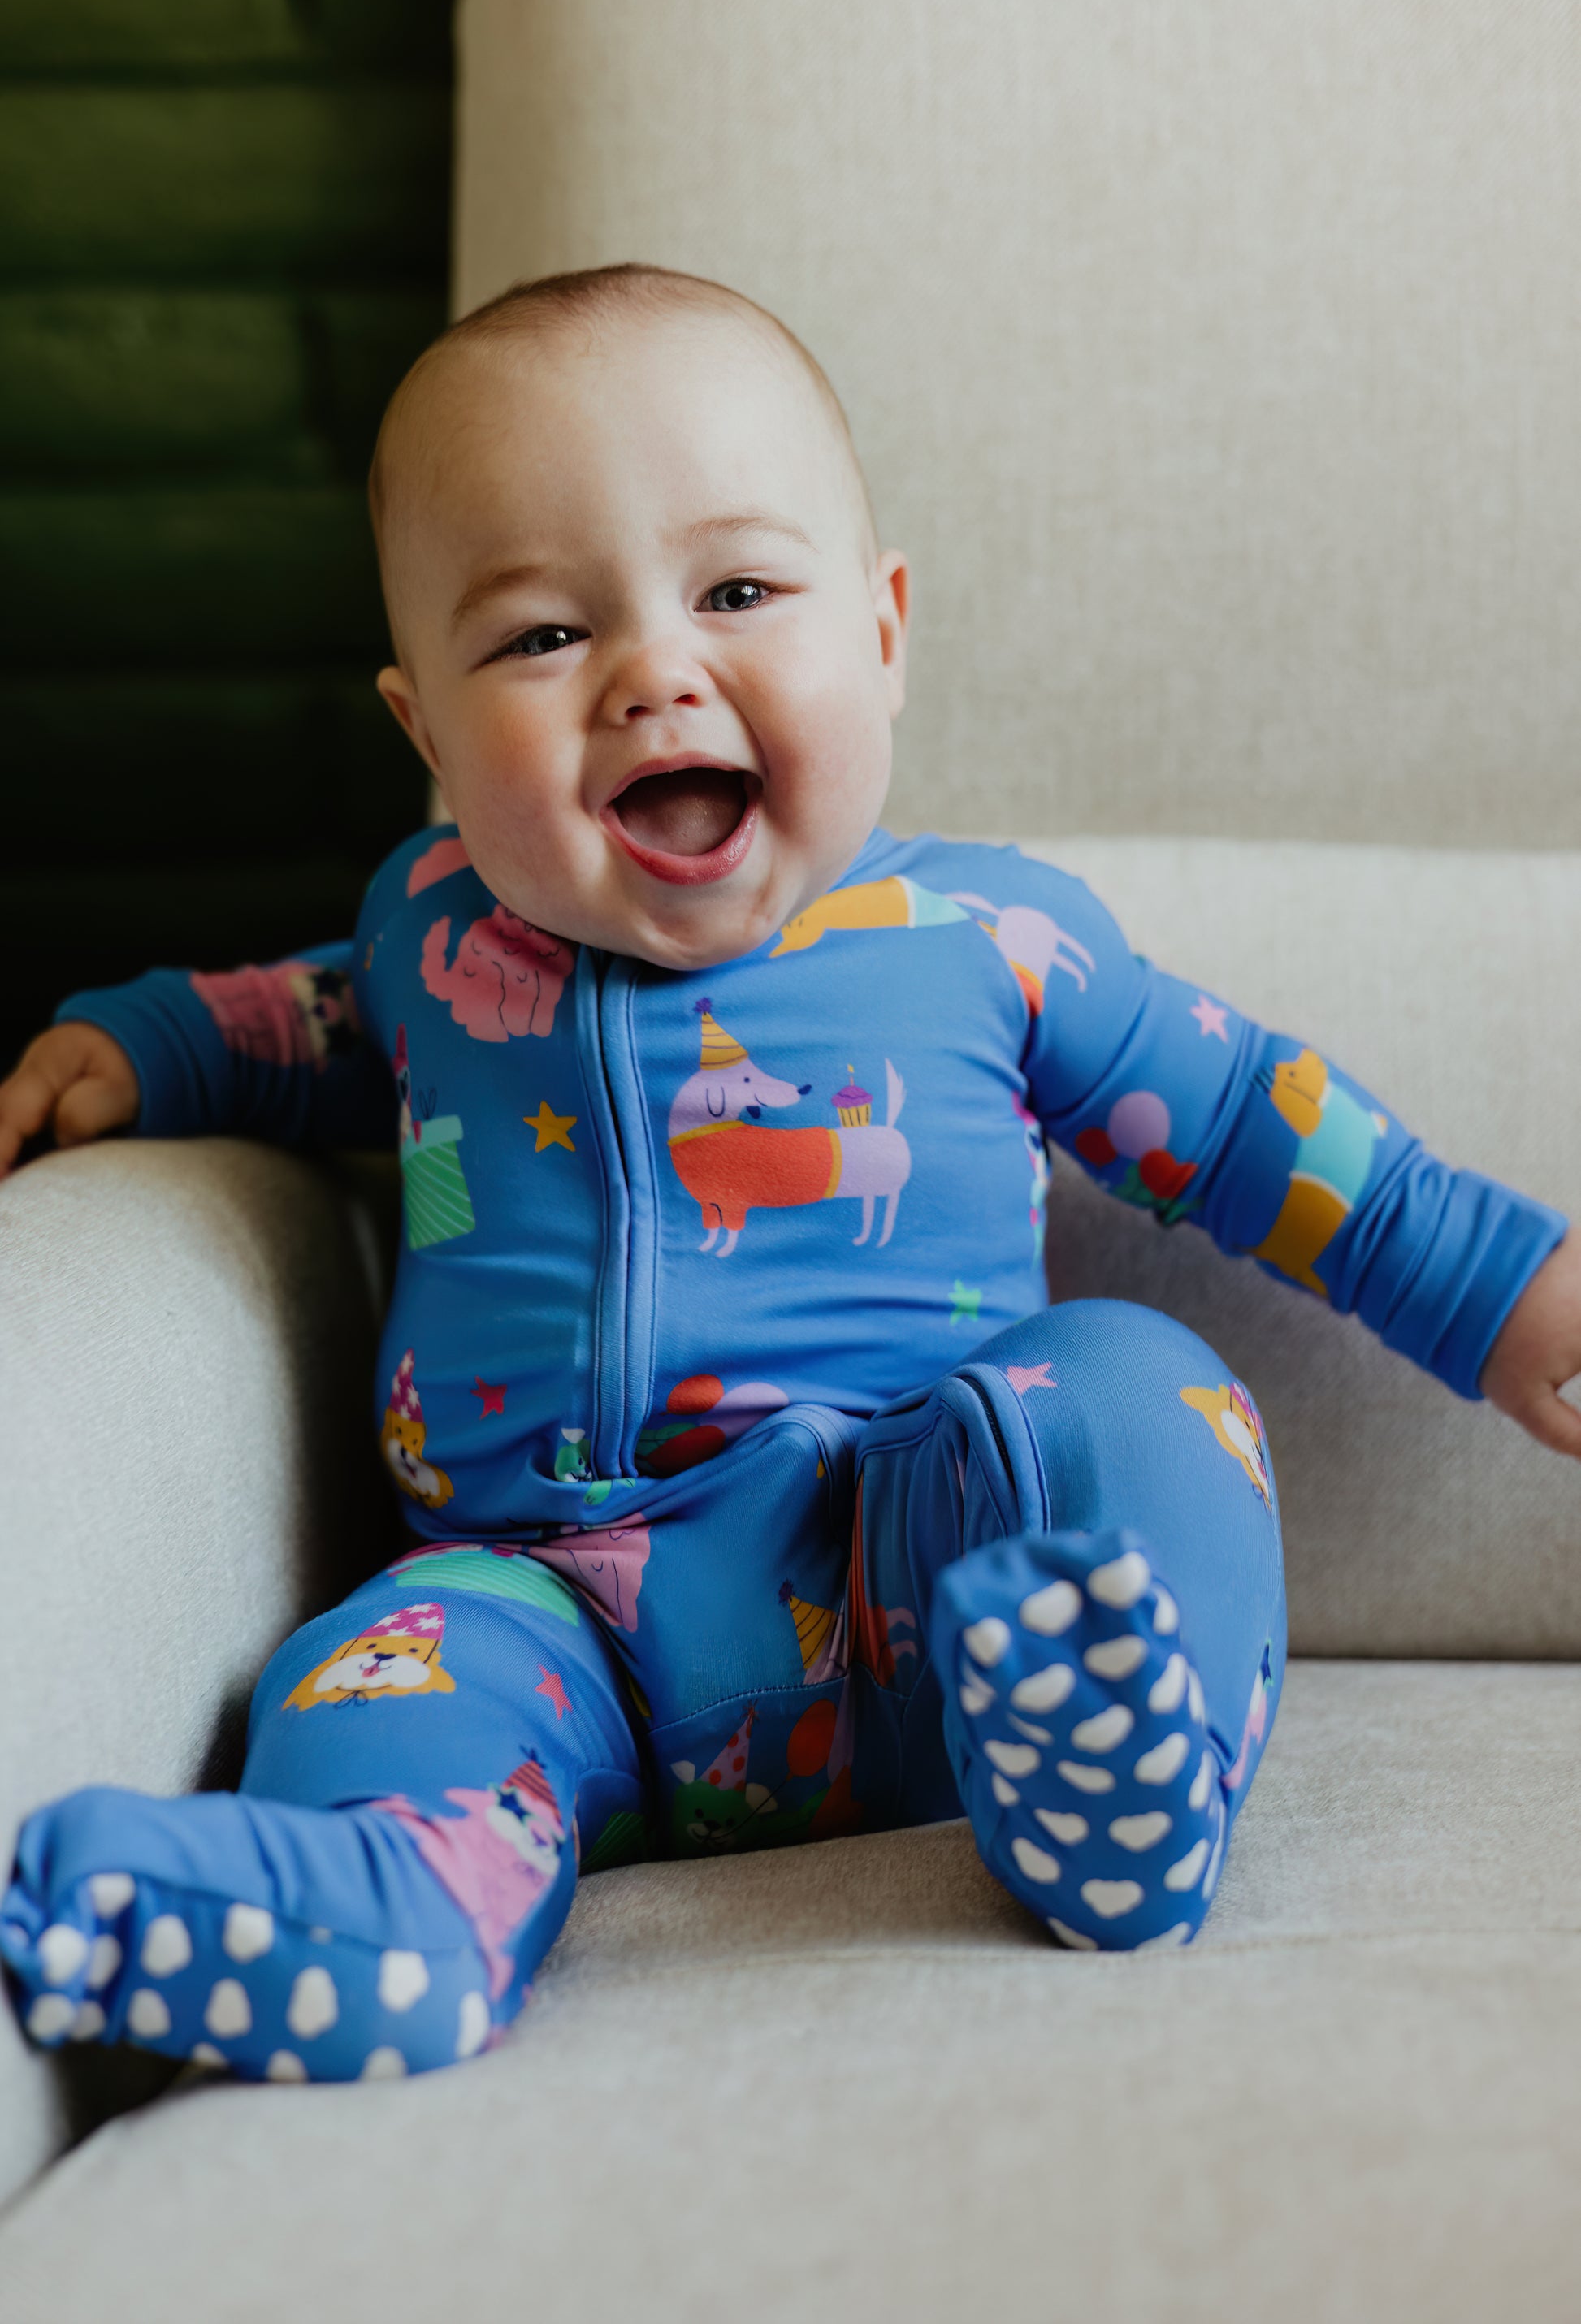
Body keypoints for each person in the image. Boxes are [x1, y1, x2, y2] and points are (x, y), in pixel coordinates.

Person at [2, 266, 1577, 2084]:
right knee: (372, 1668)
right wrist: (150, 1043)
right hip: (544, 1608)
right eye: (534, 638)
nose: (655, 670)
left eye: (739, 590)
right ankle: (399, 1900)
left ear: (886, 631)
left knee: (1141, 1385)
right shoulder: (435, 940)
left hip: (922, 1570)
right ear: (426, 733)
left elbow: (1257, 1130)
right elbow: (312, 1022)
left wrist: (1509, 1287)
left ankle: (1116, 1771)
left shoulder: (992, 940)